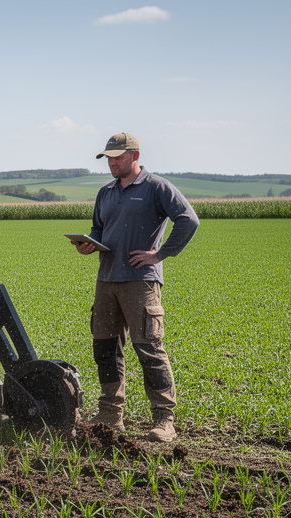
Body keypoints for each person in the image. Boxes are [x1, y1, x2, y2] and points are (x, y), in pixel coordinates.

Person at [73, 132, 198, 442]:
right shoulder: (106, 192)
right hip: (106, 280)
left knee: (149, 348)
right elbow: (97, 230)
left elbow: (189, 220)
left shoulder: (157, 187)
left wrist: (160, 253)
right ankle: (110, 416)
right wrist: (88, 245)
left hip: (141, 282)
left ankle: (164, 419)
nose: (112, 163)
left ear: (135, 156)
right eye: (108, 159)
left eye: (117, 158)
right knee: (105, 348)